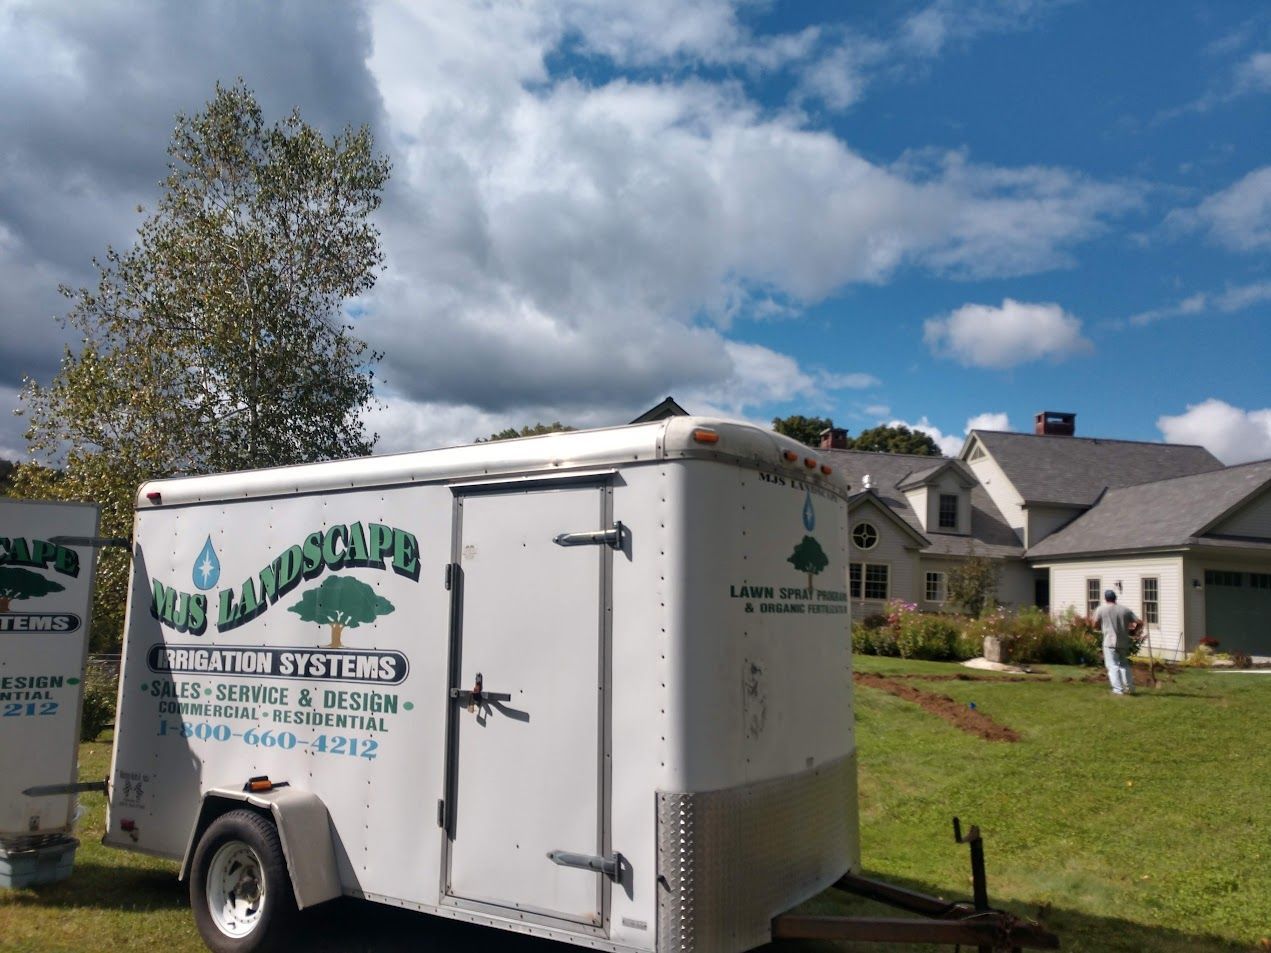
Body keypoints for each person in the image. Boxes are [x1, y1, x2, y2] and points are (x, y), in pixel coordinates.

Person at [1094, 589, 1138, 695]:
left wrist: (1098, 628)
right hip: (1123, 641)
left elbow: (1095, 623)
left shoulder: (1101, 609)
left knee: (1112, 665)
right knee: (1124, 664)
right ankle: (1130, 688)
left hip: (1109, 642)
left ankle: (1118, 690)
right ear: (1115, 598)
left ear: (1106, 598)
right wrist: (1134, 631)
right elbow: (1139, 622)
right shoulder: (1125, 610)